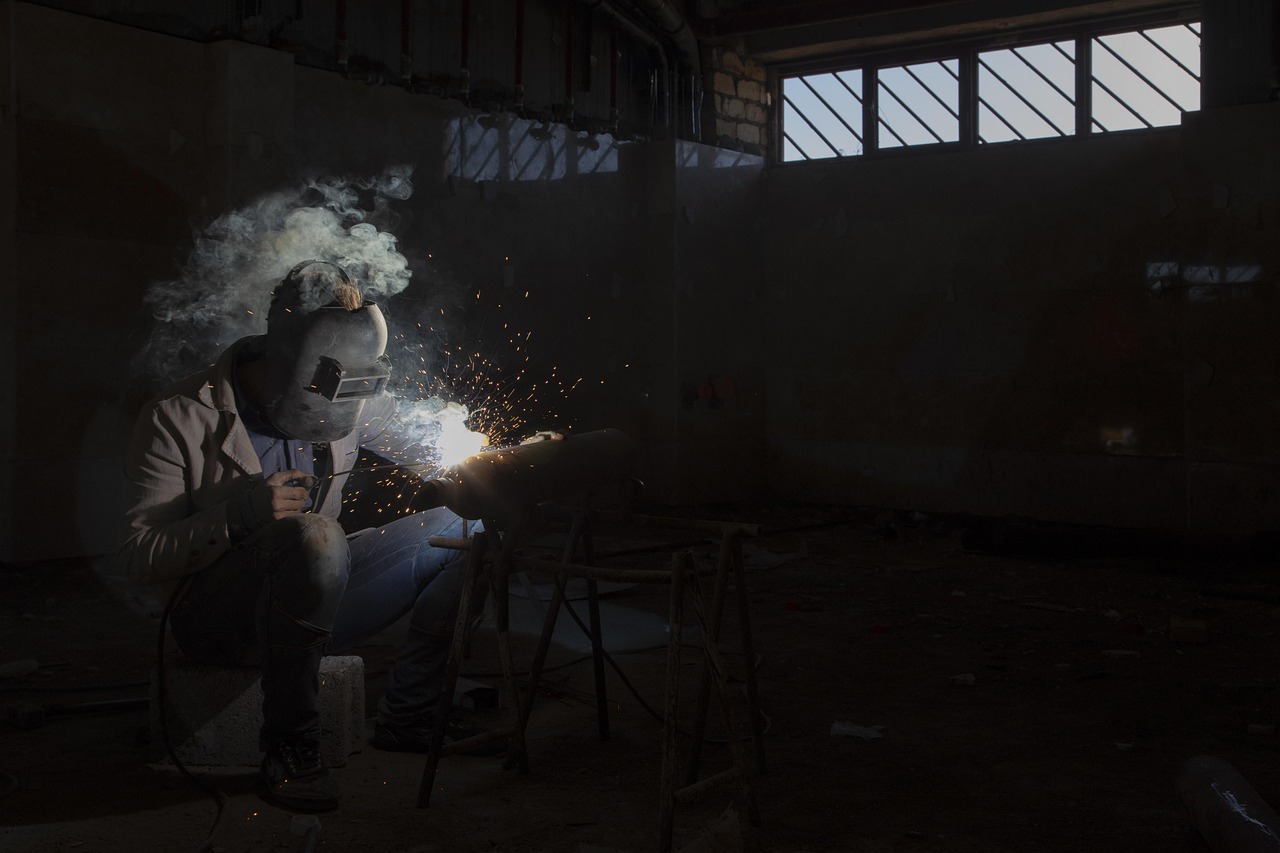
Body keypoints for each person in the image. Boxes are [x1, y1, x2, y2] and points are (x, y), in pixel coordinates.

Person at [118, 260, 483, 812]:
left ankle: (411, 714)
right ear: (283, 354)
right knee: (315, 535)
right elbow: (139, 555)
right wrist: (239, 515)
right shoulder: (178, 417)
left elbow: (437, 451)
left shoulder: (352, 398)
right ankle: (291, 745)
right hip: (218, 622)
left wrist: (503, 465)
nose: (337, 404)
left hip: (313, 608)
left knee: (469, 524)